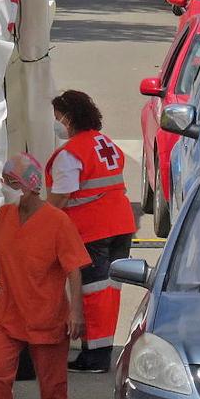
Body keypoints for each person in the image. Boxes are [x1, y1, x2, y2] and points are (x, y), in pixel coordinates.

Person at [0, 154, 90, 399]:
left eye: (9, 181)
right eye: (4, 180)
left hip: (47, 319)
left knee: (52, 389)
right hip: (8, 318)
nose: (4, 187)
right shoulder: (3, 216)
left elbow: (74, 270)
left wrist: (76, 312)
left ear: (28, 187)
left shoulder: (57, 222)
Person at [46, 90, 137, 373]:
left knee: (94, 292)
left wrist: (37, 221)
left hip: (94, 229)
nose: (56, 122)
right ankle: (99, 350)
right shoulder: (102, 142)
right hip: (121, 224)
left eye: (58, 117)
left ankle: (95, 357)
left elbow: (60, 198)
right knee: (108, 292)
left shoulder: (71, 154)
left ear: (69, 118)